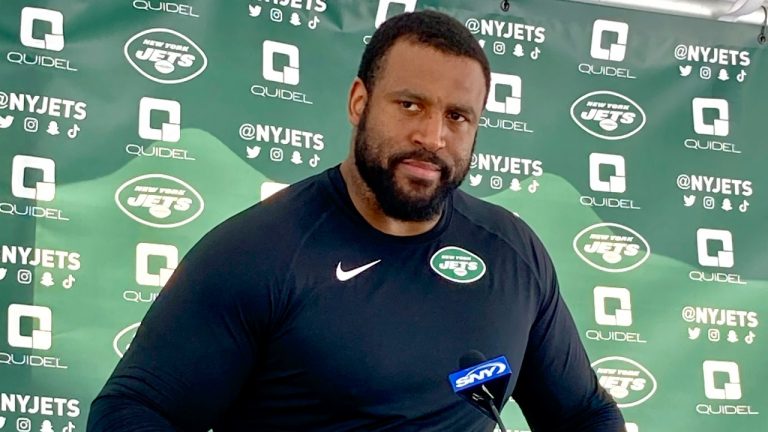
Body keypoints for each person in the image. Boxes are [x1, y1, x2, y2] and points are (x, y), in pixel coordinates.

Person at [88, 10, 625, 431]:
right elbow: (133, 410)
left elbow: (584, 416)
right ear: (358, 101)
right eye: (410, 105)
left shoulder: (512, 253)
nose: (433, 137)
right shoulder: (258, 252)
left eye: (457, 117)